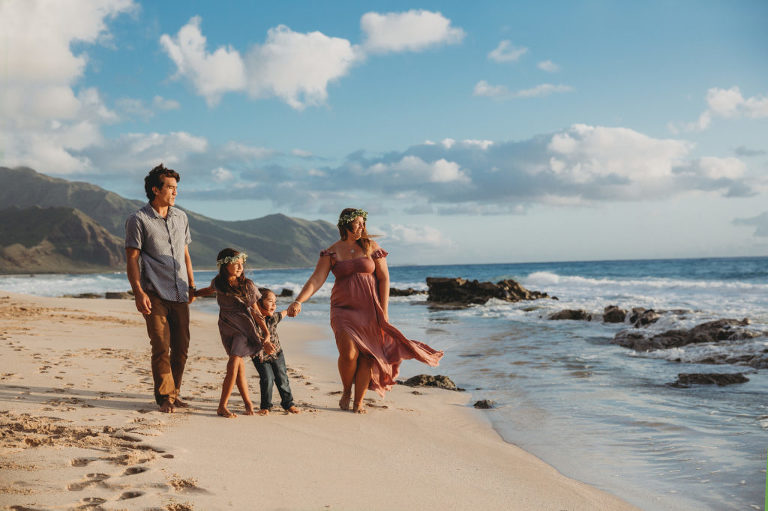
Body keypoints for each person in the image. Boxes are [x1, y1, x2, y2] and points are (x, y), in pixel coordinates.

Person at [288, 208, 443, 413]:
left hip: (370, 310)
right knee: (349, 354)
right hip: (342, 310)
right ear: (345, 224)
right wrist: (299, 301)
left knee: (368, 356)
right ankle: (346, 391)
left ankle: (358, 401)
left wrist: (384, 311)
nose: (362, 227)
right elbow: (316, 279)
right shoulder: (332, 252)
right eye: (358, 223)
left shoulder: (371, 247)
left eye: (363, 223)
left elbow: (384, 278)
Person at [125, 163, 196, 413]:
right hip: (154, 292)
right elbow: (132, 258)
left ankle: (174, 392)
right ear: (156, 189)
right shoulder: (138, 219)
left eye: (176, 188)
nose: (175, 192)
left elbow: (185, 252)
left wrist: (192, 283)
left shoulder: (181, 217)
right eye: (170, 188)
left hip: (180, 292)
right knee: (160, 345)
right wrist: (138, 292)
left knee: (182, 348)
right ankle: (165, 396)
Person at [195, 249, 274, 418]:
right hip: (226, 327)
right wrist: (192, 294)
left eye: (241, 263)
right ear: (224, 265)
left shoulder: (247, 285)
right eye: (235, 263)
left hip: (244, 329)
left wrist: (266, 334)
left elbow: (256, 312)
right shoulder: (218, 282)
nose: (240, 266)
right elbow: (209, 290)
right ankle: (248, 403)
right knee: (238, 368)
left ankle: (222, 406)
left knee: (233, 361)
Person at [252, 288, 301, 415]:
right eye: (270, 301)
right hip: (260, 356)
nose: (274, 305)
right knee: (267, 379)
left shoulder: (273, 318)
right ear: (258, 302)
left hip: (277, 354)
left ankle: (288, 404)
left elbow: (284, 313)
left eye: (275, 302)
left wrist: (291, 309)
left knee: (282, 378)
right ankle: (265, 406)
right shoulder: (251, 321)